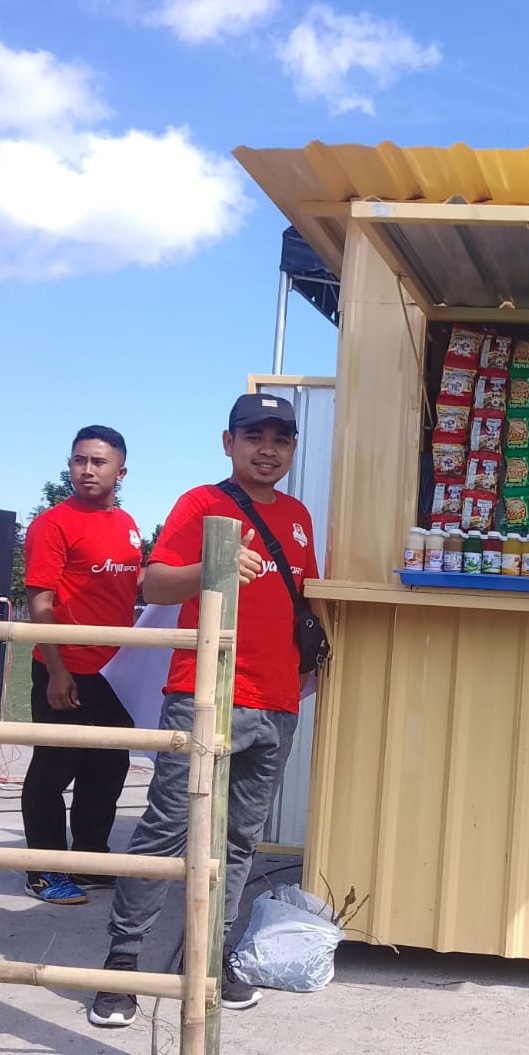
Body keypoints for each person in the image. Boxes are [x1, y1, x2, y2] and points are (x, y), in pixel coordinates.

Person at [89, 394, 318, 1028]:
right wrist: (212, 568)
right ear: (228, 442)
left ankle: (206, 957)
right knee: (166, 833)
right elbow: (152, 583)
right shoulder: (201, 502)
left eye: (280, 437)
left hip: (275, 705)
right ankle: (121, 965)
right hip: (203, 695)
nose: (266, 448)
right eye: (253, 435)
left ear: (293, 448)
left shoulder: (298, 516)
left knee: (238, 840)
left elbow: (300, 606)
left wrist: (298, 679)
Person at [21, 425, 143, 905]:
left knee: (108, 768)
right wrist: (55, 669)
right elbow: (40, 598)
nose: (86, 470)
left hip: (116, 674)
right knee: (52, 770)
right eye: (79, 460)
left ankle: (90, 859)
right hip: (64, 669)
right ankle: (45, 871)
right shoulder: (53, 522)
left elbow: (130, 594)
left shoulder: (130, 524)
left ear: (121, 470)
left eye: (98, 462)